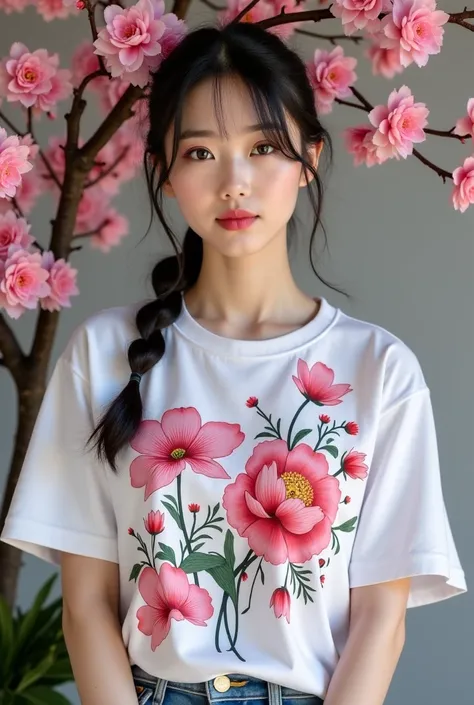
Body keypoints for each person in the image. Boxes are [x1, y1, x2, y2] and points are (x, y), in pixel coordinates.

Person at [0, 19, 467, 705]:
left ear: (309, 158)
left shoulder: (378, 370)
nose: (235, 182)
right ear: (161, 171)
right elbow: (85, 608)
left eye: (264, 147)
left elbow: (379, 620)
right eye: (200, 153)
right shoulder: (101, 356)